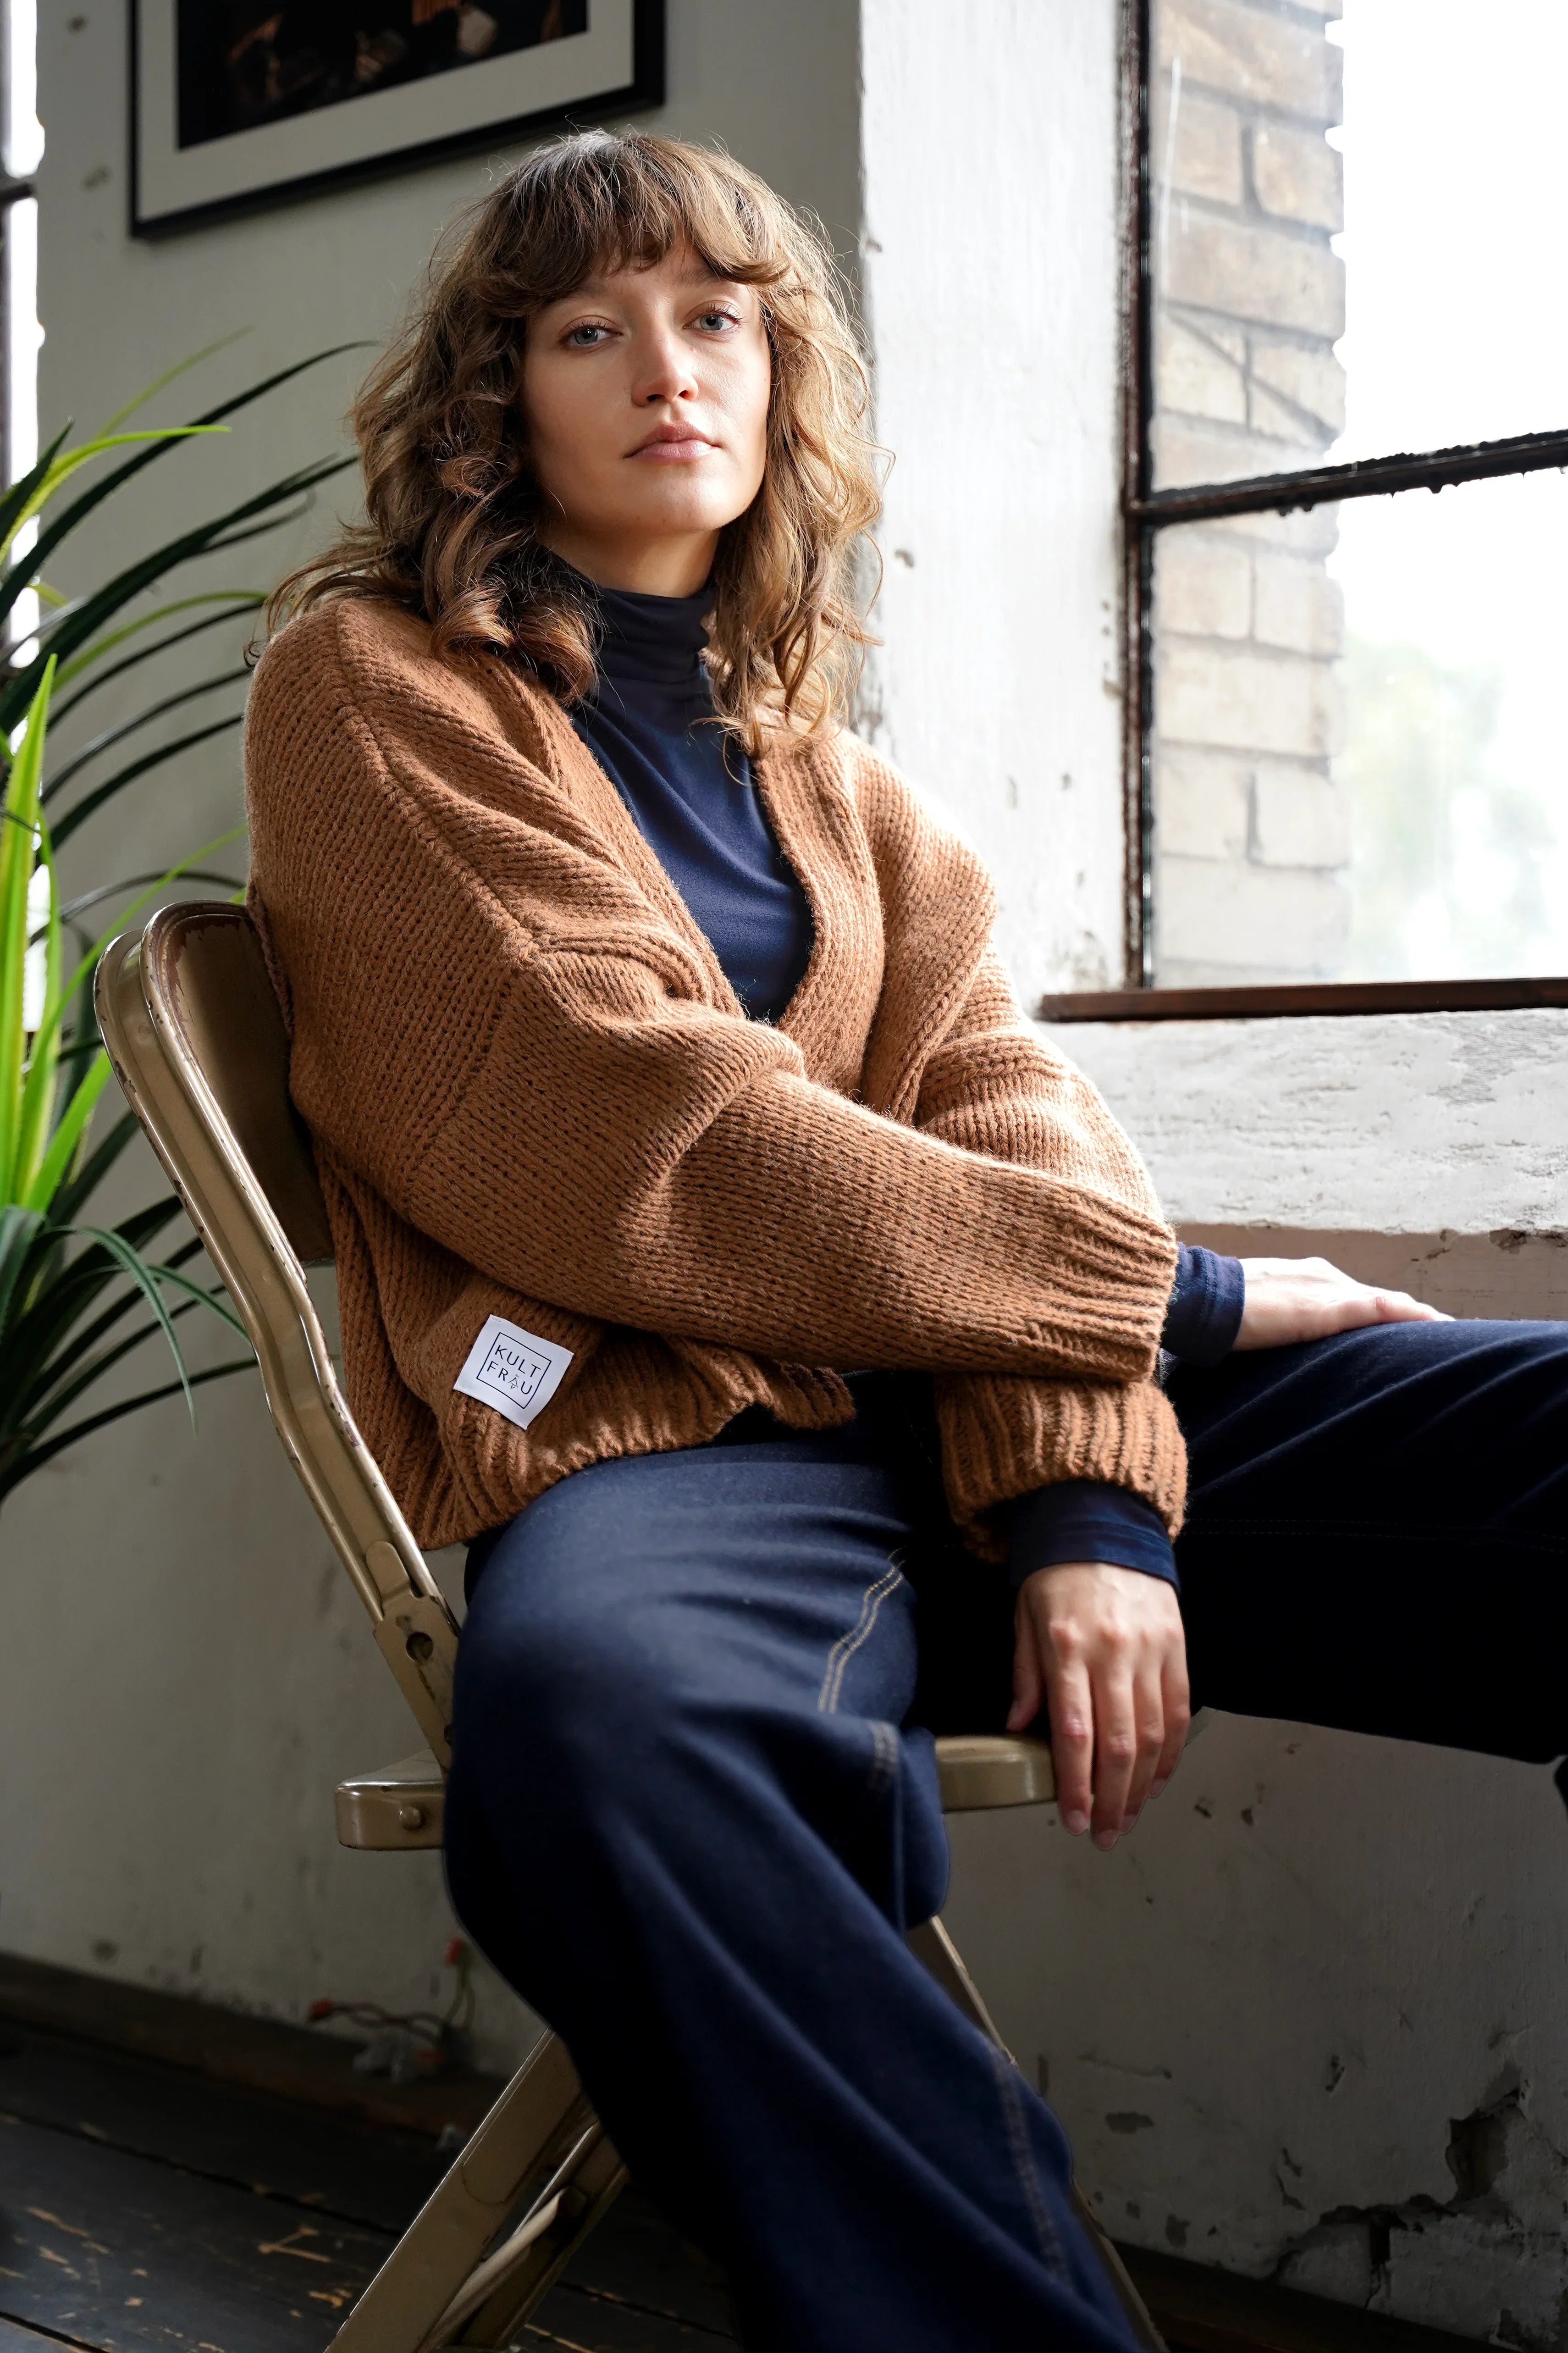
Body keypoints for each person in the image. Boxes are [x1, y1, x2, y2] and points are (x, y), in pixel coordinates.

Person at [244, 131, 1568, 2353]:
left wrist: (1080, 1491)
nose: (668, 366)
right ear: (498, 397)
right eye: (590, 328)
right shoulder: (374, 693)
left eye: (719, 316)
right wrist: (1182, 1303)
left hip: (957, 1406)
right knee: (595, 1737)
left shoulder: (841, 779)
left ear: (787, 379)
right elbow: (641, 1127)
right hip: (661, 1450)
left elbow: (1005, 1111)